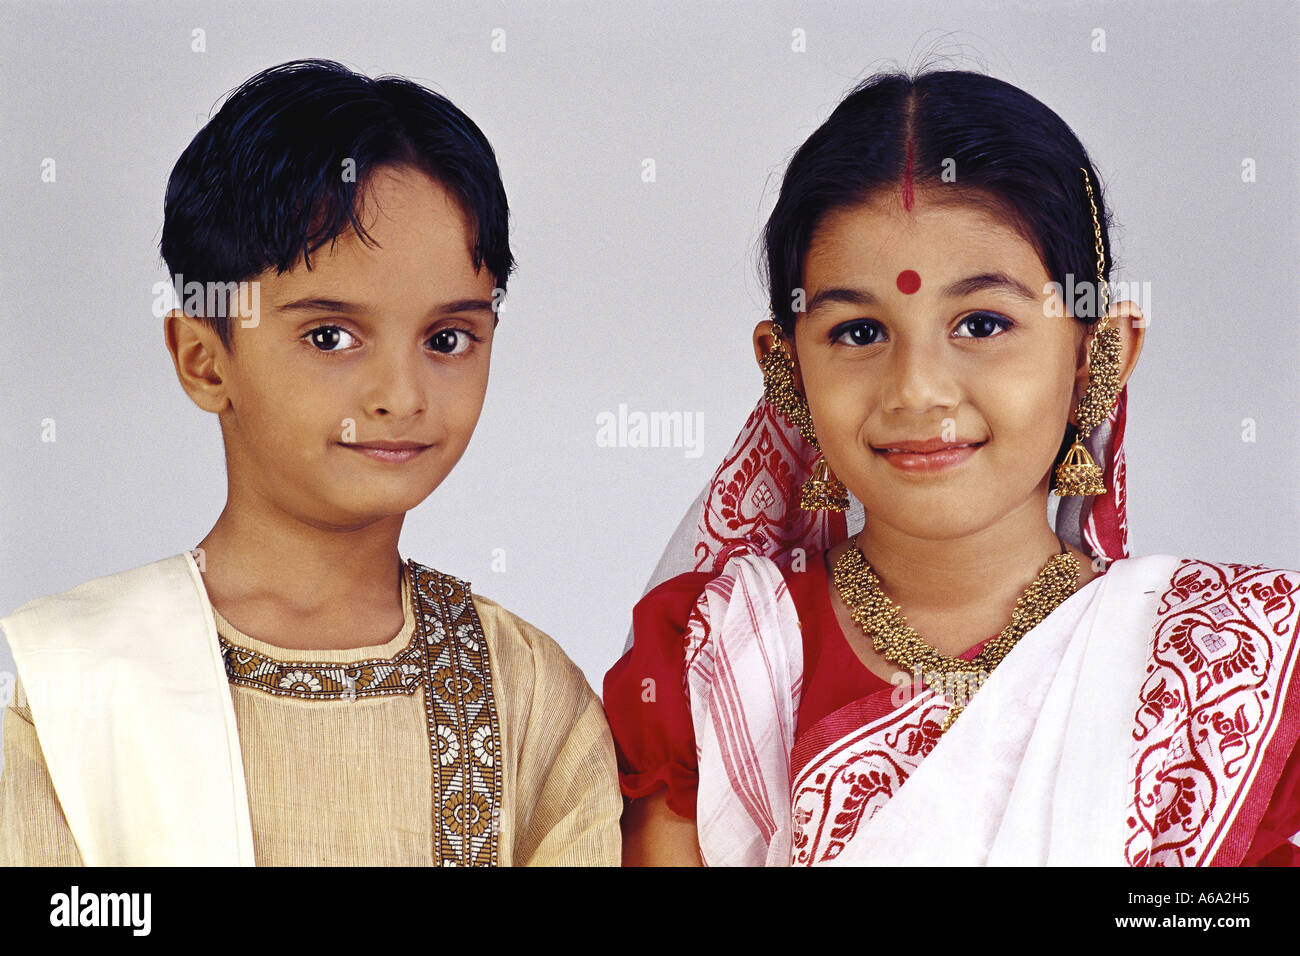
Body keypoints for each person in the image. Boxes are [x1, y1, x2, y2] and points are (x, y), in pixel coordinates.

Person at [604, 68, 1300, 866]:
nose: (917, 389)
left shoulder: (1226, 667)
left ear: (1096, 354)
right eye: (859, 333)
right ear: (787, 371)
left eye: (981, 322)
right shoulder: (709, 661)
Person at [0, 59, 621, 866]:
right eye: (330, 336)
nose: (402, 394)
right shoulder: (79, 684)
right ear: (203, 359)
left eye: (447, 339)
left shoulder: (530, 696)